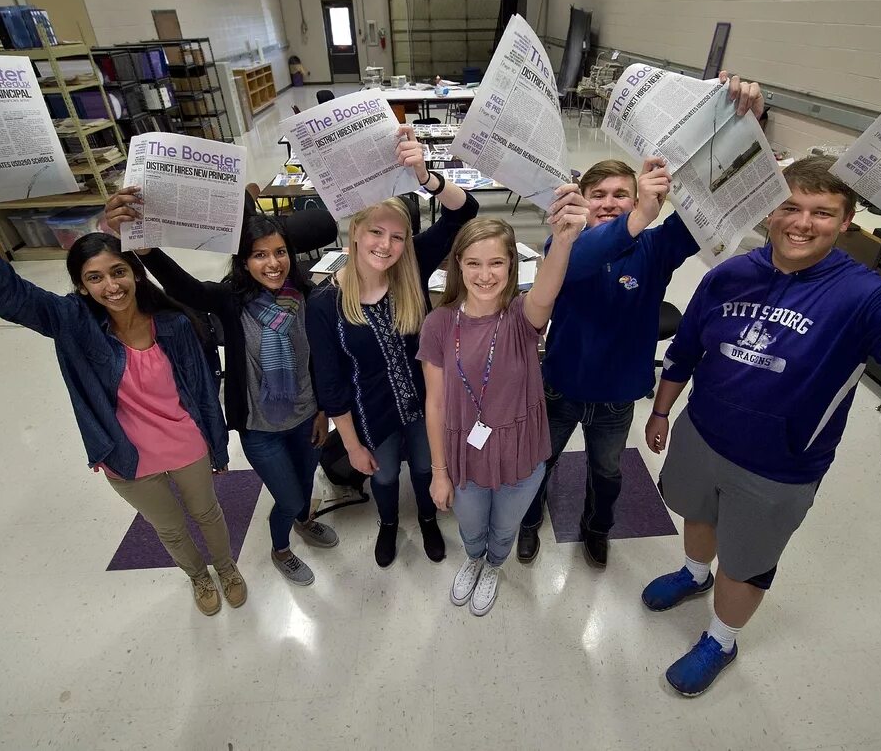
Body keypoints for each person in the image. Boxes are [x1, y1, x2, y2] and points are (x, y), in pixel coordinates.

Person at [642, 155, 881, 697]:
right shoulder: (729, 275)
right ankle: (695, 574)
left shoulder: (865, 295)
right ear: (769, 211)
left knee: (746, 564)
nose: (801, 222)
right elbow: (687, 347)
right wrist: (660, 410)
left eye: (822, 212)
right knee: (697, 514)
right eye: (790, 206)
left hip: (779, 465)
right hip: (702, 431)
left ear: (846, 222)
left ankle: (722, 639)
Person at [0, 152, 246, 617]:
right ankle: (197, 577)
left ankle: (226, 567)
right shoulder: (72, 324)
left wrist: (218, 445)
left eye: (118, 271)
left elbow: (205, 391)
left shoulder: (173, 324)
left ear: (134, 272)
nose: (111, 286)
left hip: (187, 445)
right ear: (82, 287)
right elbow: (9, 291)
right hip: (126, 455)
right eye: (95, 278)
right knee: (169, 528)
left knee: (207, 513)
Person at [516, 72, 767, 567]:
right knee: (538, 463)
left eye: (621, 194)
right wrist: (636, 220)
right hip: (561, 386)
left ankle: (597, 528)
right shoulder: (564, 244)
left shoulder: (656, 247)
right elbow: (582, 261)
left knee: (607, 471)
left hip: (616, 394)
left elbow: (716, 197)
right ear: (582, 202)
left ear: (639, 198)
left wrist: (748, 121)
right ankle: (527, 521)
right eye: (598, 194)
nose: (609, 202)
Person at [101, 198, 337, 588]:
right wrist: (145, 248)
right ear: (244, 262)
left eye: (280, 253)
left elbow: (321, 361)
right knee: (290, 496)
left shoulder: (306, 297)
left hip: (306, 418)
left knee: (307, 482)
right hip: (261, 430)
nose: (273, 263)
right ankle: (281, 549)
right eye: (260, 255)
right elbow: (184, 287)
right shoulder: (232, 301)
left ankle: (304, 521)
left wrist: (324, 410)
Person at [305, 127, 479, 568]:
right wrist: (351, 443)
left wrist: (426, 177)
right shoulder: (325, 302)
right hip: (370, 410)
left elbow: (466, 212)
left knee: (423, 468)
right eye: (376, 233)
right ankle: (387, 523)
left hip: (425, 403)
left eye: (397, 237)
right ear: (356, 233)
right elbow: (330, 383)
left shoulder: (412, 266)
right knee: (382, 475)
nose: (386, 246)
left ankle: (425, 519)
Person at [418, 206, 586, 616]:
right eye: (473, 263)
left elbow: (546, 290)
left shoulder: (521, 316)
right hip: (464, 453)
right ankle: (475, 558)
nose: (485, 274)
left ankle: (494, 564)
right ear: (458, 264)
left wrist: (562, 242)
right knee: (471, 526)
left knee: (505, 527)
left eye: (496, 262)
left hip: (520, 451)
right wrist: (439, 473)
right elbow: (435, 402)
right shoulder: (439, 323)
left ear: (512, 265)